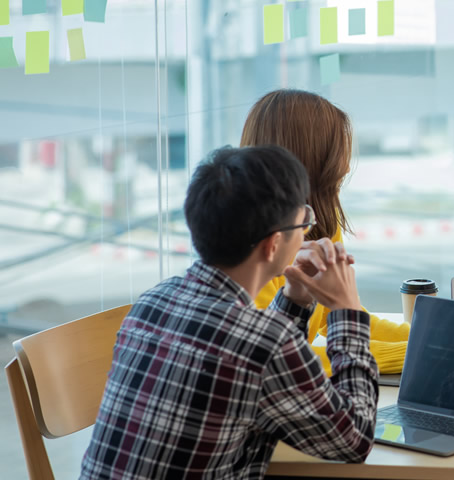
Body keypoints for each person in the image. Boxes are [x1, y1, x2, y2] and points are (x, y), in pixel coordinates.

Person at [80, 146, 377, 479]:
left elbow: (254, 365)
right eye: (303, 221)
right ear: (272, 245)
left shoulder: (150, 303)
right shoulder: (265, 343)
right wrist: (346, 312)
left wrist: (294, 297)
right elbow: (354, 439)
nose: (308, 230)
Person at [243, 89, 410, 375]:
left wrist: (421, 338)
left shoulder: (317, 218)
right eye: (336, 153)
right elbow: (276, 359)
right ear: (311, 161)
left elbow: (335, 316)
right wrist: (415, 354)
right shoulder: (245, 246)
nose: (344, 166)